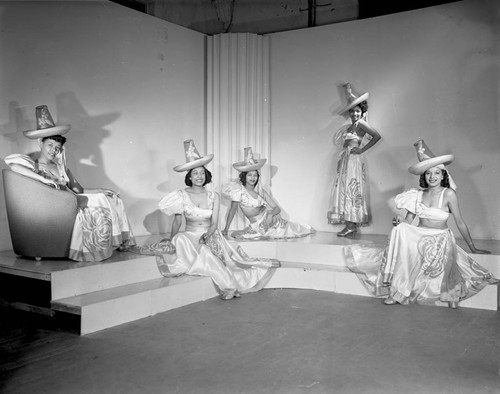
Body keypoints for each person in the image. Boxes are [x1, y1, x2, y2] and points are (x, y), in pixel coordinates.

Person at [345, 140, 499, 309]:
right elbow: (408, 222)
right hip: (419, 234)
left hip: (440, 237)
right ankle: (398, 291)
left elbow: (460, 222)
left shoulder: (448, 194)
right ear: (424, 176)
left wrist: (473, 247)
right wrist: (399, 222)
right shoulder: (417, 195)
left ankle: (451, 291)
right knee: (401, 230)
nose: (432, 177)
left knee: (446, 256)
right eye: (428, 174)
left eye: (436, 173)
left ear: (443, 175)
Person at [145, 140, 279, 301]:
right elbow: (177, 222)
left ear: (206, 175)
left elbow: (214, 223)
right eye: (195, 173)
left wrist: (208, 235)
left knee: (206, 252)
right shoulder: (181, 195)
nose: (199, 176)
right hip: (189, 236)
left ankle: (229, 286)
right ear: (189, 176)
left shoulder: (213, 196)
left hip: (210, 234)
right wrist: (171, 239)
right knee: (180, 239)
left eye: (202, 173)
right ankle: (223, 282)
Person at [4, 105, 135, 261]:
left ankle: (120, 242)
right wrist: (43, 178)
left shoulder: (61, 168)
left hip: (70, 202)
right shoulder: (34, 165)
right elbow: (13, 166)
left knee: (112, 198)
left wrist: (102, 189)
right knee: (100, 201)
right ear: (40, 142)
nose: (53, 150)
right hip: (53, 208)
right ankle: (97, 248)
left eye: (57, 147)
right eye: (50, 145)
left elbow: (79, 190)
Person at [221, 147, 314, 240]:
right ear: (244, 176)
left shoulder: (261, 191)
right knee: (235, 235)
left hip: (272, 222)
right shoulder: (239, 191)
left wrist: (270, 215)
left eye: (255, 175)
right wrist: (226, 229)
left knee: (299, 230)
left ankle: (300, 228)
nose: (253, 178)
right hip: (258, 226)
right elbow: (232, 211)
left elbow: (277, 208)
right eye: (250, 175)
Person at [327, 83, 381, 237]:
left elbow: (377, 136)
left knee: (353, 187)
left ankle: (352, 224)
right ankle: (349, 224)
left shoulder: (362, 124)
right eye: (352, 112)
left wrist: (362, 149)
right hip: (346, 158)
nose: (354, 114)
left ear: (362, 112)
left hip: (354, 160)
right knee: (345, 188)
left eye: (357, 111)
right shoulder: (351, 126)